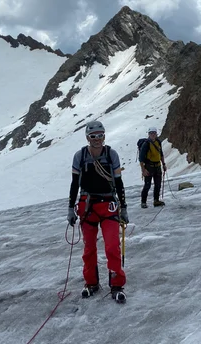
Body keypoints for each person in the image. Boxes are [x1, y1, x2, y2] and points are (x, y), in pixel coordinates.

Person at [68, 119, 127, 302]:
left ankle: (117, 285)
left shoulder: (111, 154)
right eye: (93, 136)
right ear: (87, 137)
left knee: (112, 246)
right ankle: (91, 283)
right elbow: (74, 183)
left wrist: (123, 207)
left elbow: (118, 183)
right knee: (89, 249)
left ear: (104, 136)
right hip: (87, 205)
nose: (97, 139)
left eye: (100, 135)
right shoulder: (80, 156)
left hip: (108, 203)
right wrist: (71, 208)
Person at [137, 126, 167, 207]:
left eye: (154, 133)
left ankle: (156, 200)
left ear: (156, 134)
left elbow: (161, 154)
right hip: (149, 167)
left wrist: (163, 164)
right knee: (147, 185)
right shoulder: (146, 144)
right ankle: (143, 202)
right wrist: (143, 170)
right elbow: (141, 159)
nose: (153, 135)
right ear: (149, 134)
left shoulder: (158, 142)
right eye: (151, 133)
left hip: (157, 166)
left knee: (158, 184)